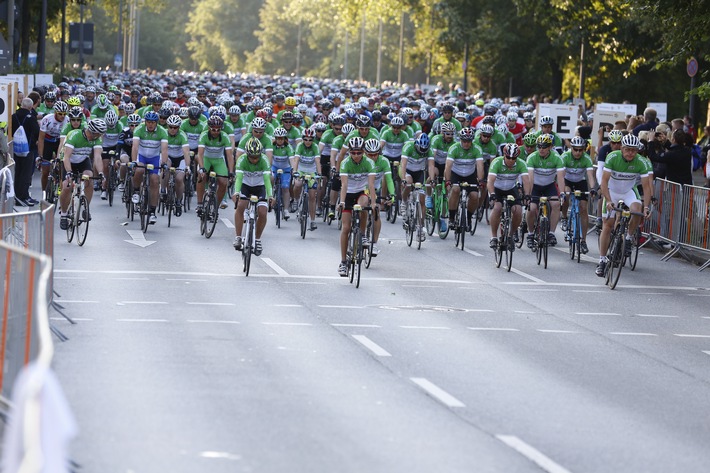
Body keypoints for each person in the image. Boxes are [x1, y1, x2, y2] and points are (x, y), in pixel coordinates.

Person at [596, 134, 653, 277]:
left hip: (628, 191)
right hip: (612, 192)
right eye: (627, 149)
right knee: (607, 225)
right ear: (621, 147)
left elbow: (646, 187)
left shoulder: (641, 162)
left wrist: (647, 207)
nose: (630, 153)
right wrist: (608, 200)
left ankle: (628, 238)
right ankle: (602, 261)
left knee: (636, 209)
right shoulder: (613, 157)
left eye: (634, 150)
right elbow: (604, 182)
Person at [337, 137, 377, 277]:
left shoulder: (369, 163)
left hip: (361, 191)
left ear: (363, 152)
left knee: (363, 205)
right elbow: (344, 185)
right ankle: (343, 262)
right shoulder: (345, 163)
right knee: (346, 228)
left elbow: (371, 185)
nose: (356, 156)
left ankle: (363, 234)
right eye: (353, 153)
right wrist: (342, 202)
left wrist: (374, 203)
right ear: (349, 152)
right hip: (348, 194)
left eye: (359, 153)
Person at [58, 119, 106, 229]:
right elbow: (66, 157)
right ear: (93, 132)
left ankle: (85, 208)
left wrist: (101, 172)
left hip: (83, 161)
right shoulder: (75, 135)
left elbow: (98, 157)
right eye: (99, 133)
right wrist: (69, 172)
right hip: (68, 161)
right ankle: (64, 214)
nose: (100, 136)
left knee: (89, 178)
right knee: (66, 186)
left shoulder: (96, 139)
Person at [232, 138, 273, 256]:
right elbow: (239, 178)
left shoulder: (264, 160)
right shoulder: (241, 160)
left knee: (263, 212)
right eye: (252, 157)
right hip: (245, 185)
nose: (255, 160)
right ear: (247, 154)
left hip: (260, 186)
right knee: (240, 206)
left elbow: (267, 180)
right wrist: (236, 193)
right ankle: (238, 236)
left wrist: (270, 196)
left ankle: (258, 239)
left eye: (257, 157)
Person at [487, 143, 530, 249]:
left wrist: (527, 195)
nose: (511, 160)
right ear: (504, 155)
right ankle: (493, 237)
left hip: (511, 188)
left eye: (513, 158)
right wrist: (492, 194)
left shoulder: (521, 164)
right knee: (497, 208)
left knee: (518, 210)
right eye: (508, 157)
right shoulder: (496, 162)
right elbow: (490, 181)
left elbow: (526, 181)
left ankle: (510, 235)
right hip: (496, 188)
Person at [11, 97, 40, 207]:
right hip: (28, 149)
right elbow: (36, 131)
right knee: (26, 174)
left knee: (17, 173)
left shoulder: (13, 116)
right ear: (30, 107)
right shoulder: (30, 117)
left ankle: (17, 195)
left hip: (15, 148)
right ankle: (23, 196)